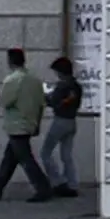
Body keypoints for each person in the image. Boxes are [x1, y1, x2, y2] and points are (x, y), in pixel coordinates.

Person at [0, 47, 56, 202]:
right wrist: (37, 124)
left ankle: (43, 189)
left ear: (10, 61)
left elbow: (5, 102)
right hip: (29, 123)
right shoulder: (35, 80)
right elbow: (41, 104)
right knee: (9, 158)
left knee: (26, 159)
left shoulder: (12, 80)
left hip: (16, 125)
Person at [39, 56, 85, 199]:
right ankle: (72, 184)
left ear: (60, 71)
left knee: (45, 153)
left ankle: (58, 182)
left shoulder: (62, 86)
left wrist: (45, 94)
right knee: (66, 155)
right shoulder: (76, 86)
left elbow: (53, 102)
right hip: (72, 121)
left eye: (56, 72)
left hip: (60, 121)